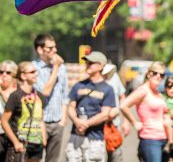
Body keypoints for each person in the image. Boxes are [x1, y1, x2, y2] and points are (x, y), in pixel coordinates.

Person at [66, 51, 116, 162]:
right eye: (87, 62)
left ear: (101, 66)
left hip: (95, 138)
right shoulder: (78, 85)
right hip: (76, 136)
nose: (87, 64)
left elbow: (105, 114)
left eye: (91, 62)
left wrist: (86, 124)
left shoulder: (107, 89)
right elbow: (71, 107)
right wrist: (76, 121)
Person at [120, 61, 169, 162]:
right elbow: (124, 105)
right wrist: (134, 123)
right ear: (148, 74)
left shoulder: (157, 93)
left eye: (162, 74)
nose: (158, 76)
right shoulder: (143, 91)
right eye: (155, 73)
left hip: (163, 138)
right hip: (150, 139)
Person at [32, 34, 68, 162]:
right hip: (38, 122)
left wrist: (62, 120)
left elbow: (65, 95)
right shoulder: (32, 69)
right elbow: (45, 92)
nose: (55, 50)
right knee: (34, 159)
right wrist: (56, 69)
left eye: (55, 47)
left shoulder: (62, 68)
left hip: (57, 122)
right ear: (40, 50)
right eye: (51, 48)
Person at [2, 62, 47, 162]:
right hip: (20, 143)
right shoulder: (15, 96)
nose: (36, 74)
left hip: (36, 144)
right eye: (32, 72)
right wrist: (15, 142)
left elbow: (41, 120)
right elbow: (4, 121)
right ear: (23, 75)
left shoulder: (40, 96)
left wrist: (44, 140)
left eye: (36, 71)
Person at [102, 63, 129, 162]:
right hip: (96, 128)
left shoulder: (114, 77)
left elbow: (122, 97)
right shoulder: (92, 80)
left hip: (113, 126)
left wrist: (126, 121)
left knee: (116, 157)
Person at [0, 60, 18, 160]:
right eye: (1, 72)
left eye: (8, 72)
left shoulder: (17, 92)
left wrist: (1, 92)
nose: (4, 75)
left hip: (12, 134)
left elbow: (12, 106)